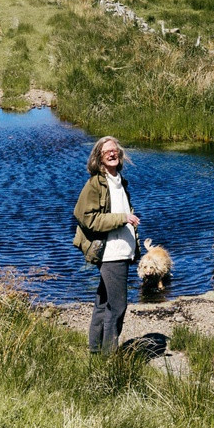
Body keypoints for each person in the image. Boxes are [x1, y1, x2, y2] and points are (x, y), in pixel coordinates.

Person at [73, 136, 140, 353]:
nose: (112, 154)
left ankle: (95, 352)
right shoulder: (95, 184)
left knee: (103, 304)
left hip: (122, 251)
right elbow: (86, 217)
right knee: (117, 306)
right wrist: (123, 218)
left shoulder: (120, 181)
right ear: (98, 158)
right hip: (111, 253)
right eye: (106, 152)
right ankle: (109, 357)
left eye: (115, 151)